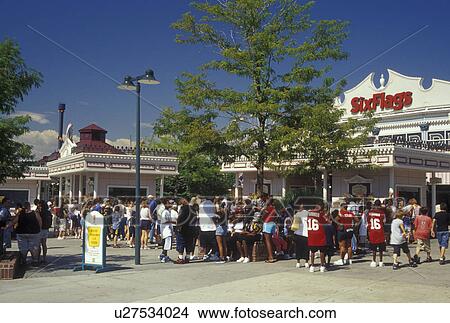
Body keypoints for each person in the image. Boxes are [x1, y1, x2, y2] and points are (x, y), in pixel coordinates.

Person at [11, 202, 42, 266]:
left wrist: (7, 226)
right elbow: (40, 221)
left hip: (21, 232)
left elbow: (14, 222)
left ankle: (23, 260)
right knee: (34, 248)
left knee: (23, 248)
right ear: (29, 206)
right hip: (34, 232)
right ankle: (35, 261)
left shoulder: (20, 214)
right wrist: (39, 229)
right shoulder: (35, 213)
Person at [307, 201, 329, 273]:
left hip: (311, 233)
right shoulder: (321, 214)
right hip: (319, 234)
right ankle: (322, 266)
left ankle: (312, 266)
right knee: (322, 250)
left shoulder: (309, 213)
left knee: (312, 251)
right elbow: (327, 222)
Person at [367, 200, 386, 267]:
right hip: (380, 231)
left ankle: (374, 261)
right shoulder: (382, 213)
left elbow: (368, 222)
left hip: (372, 231)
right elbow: (384, 222)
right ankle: (381, 261)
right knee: (381, 248)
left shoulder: (370, 213)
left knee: (374, 248)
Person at [175, 198, 194, 264]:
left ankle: (180, 258)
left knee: (181, 242)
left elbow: (180, 217)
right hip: (191, 227)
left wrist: (178, 225)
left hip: (183, 228)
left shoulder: (183, 208)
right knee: (189, 242)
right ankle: (187, 257)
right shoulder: (192, 208)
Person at [292, 203, 309, 268]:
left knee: (298, 248)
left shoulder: (297, 214)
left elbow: (294, 226)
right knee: (306, 249)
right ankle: (306, 262)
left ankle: (298, 262)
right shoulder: (308, 214)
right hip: (306, 234)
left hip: (298, 233)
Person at [261, 198, 277, 263]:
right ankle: (272, 254)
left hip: (267, 223)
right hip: (273, 223)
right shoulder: (274, 208)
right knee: (270, 240)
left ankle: (270, 257)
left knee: (267, 241)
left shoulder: (267, 208)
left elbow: (263, 216)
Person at [214, 197, 228, 263]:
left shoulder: (220, 211)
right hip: (225, 227)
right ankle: (225, 256)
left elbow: (217, 217)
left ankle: (221, 257)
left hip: (220, 227)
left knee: (220, 244)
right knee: (224, 243)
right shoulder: (225, 211)